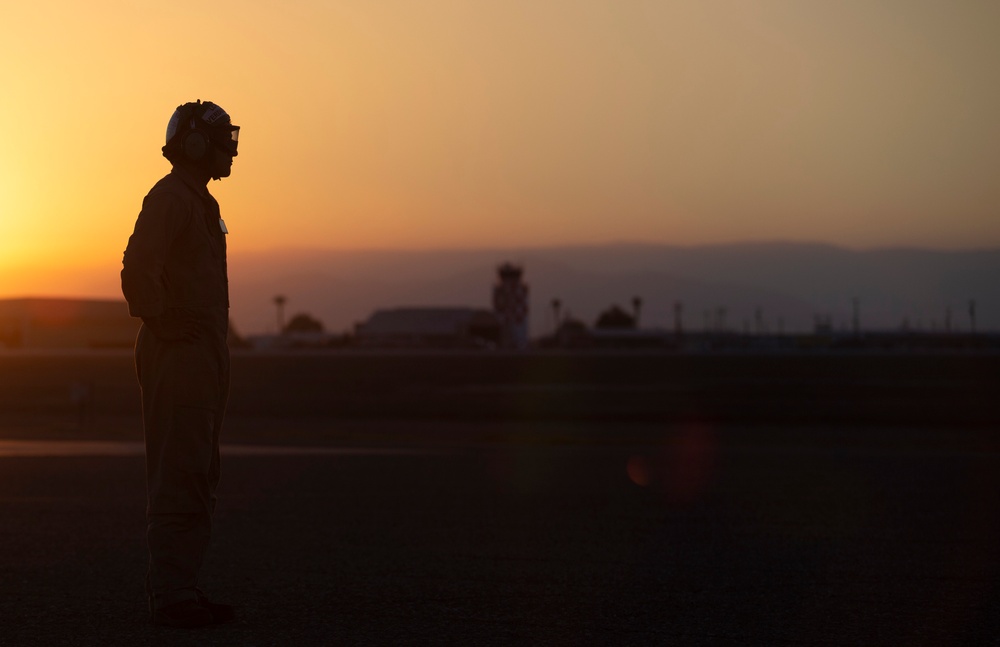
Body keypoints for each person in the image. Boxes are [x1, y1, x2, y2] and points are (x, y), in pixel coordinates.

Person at [121, 100, 240, 628]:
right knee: (179, 475)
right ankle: (171, 598)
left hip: (201, 358)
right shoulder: (171, 198)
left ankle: (182, 588)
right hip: (180, 358)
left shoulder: (200, 203)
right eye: (219, 137)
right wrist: (165, 324)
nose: (229, 146)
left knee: (197, 472)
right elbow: (138, 268)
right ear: (192, 143)